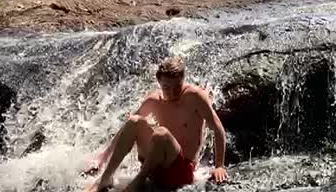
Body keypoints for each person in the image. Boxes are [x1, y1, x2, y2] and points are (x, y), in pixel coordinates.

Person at [84, 56, 228, 192]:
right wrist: (103, 156)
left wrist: (219, 165)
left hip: (181, 172)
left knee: (161, 133)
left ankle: (136, 183)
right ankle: (104, 179)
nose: (172, 93)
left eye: (177, 87)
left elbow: (218, 128)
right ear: (159, 81)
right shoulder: (153, 100)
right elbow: (126, 128)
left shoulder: (195, 97)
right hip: (154, 167)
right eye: (166, 87)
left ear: (183, 79)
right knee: (134, 121)